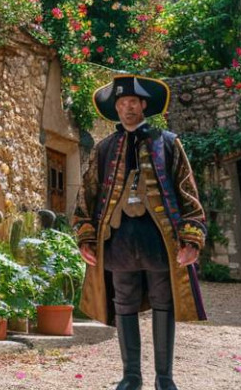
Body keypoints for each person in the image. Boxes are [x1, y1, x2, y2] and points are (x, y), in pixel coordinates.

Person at [72, 75, 207, 390]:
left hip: (159, 243)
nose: (128, 108)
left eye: (133, 102)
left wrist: (191, 238)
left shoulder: (169, 143)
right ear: (116, 108)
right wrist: (86, 237)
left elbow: (187, 190)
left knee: (164, 302)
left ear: (144, 105)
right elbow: (87, 196)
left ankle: (165, 378)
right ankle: (131, 376)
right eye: (122, 103)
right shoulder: (104, 148)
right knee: (124, 303)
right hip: (119, 243)